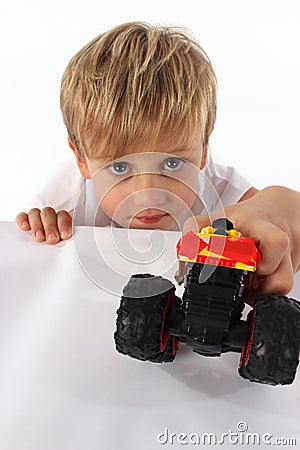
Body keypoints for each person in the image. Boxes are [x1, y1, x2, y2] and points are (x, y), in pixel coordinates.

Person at [15, 21, 300, 298]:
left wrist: (278, 208)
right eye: (120, 168)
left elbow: (283, 208)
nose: (148, 195)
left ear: (203, 149)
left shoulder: (222, 193)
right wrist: (45, 227)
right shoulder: (69, 198)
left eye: (172, 164)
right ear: (81, 160)